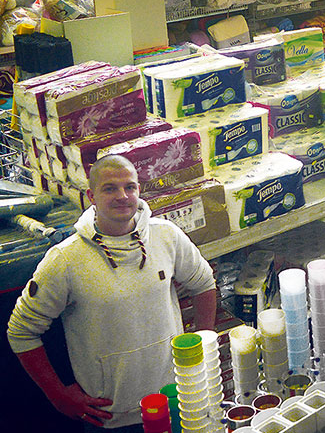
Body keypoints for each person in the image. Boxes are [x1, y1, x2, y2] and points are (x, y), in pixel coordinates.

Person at [7, 155, 217, 432]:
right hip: (111, 419)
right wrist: (57, 395)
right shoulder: (65, 259)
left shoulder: (166, 236)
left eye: (130, 187)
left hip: (175, 401)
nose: (122, 196)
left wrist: (200, 352)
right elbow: (21, 331)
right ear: (92, 196)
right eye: (110, 189)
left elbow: (203, 283)